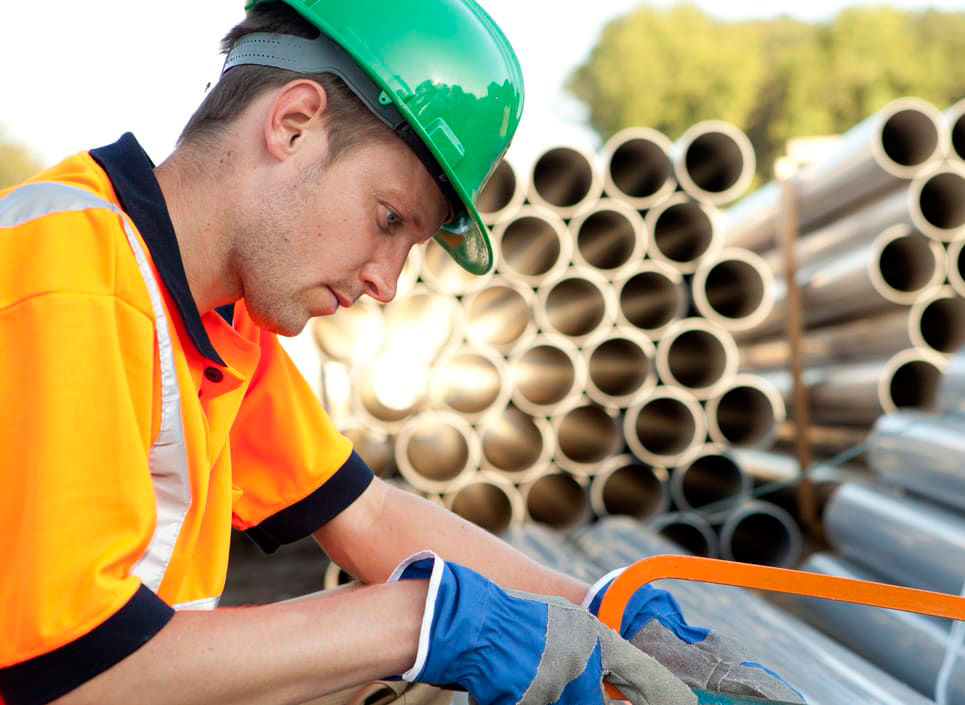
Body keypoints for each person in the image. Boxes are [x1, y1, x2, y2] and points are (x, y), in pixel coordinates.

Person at [0, 2, 801, 704]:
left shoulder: (213, 318)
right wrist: (420, 620)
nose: (386, 283)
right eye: (390, 219)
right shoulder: (68, 282)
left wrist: (602, 609)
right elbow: (74, 669)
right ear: (292, 125)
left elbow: (367, 514)